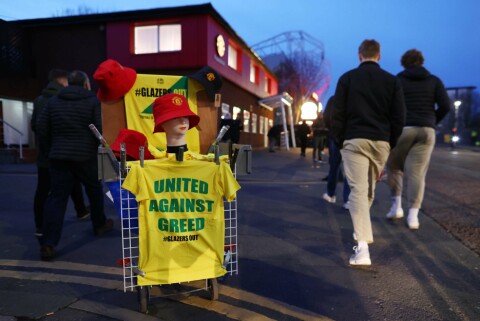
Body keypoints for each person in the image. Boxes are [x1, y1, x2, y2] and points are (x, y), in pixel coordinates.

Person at [331, 39, 406, 266]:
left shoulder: (347, 78)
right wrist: (390, 141)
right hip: (381, 142)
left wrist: (341, 140)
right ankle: (362, 243)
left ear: (359, 55)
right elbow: (399, 116)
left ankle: (361, 241)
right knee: (365, 190)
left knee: (361, 191)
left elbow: (337, 113)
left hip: (354, 139)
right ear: (379, 56)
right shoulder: (392, 81)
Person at [36, 70, 113, 261]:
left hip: (59, 158)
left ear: (68, 84)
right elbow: (99, 129)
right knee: (94, 190)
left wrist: (50, 150)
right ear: (86, 84)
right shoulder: (92, 101)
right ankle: (99, 224)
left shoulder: (54, 102)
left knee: (57, 199)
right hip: (86, 157)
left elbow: (41, 127)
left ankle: (48, 243)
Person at [385, 49, 450, 229]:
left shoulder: (397, 80)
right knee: (416, 173)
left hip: (403, 129)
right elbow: (446, 105)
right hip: (426, 130)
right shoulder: (434, 80)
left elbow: (390, 107)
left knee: (394, 167)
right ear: (421, 61)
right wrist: (432, 120)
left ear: (404, 63)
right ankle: (413, 216)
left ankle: (396, 207)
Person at [31, 69, 90, 238]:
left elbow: (36, 126)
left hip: (46, 154)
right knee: (62, 190)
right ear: (64, 82)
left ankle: (40, 225)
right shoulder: (62, 100)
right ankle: (84, 214)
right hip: (65, 153)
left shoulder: (40, 100)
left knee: (44, 190)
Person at [322, 96, 351, 209]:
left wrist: (332, 129)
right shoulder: (353, 99)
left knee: (334, 166)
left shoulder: (333, 99)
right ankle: (348, 199)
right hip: (350, 137)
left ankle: (331, 194)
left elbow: (326, 117)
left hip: (335, 136)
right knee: (349, 169)